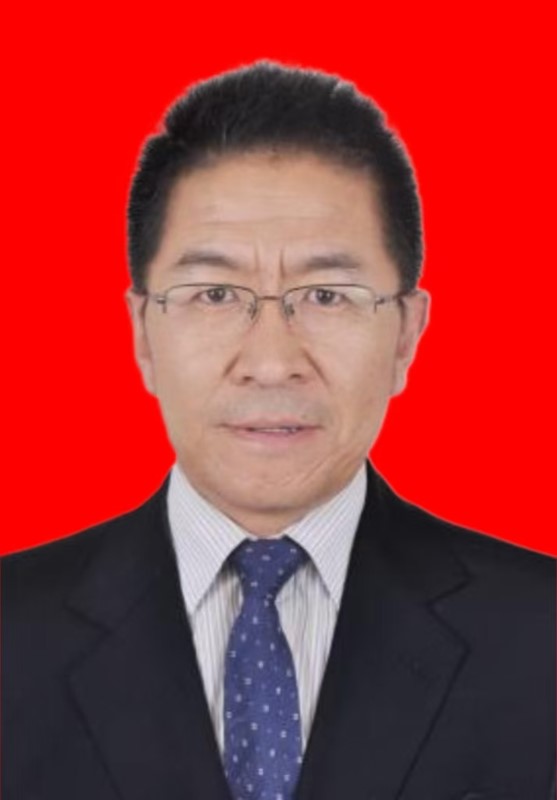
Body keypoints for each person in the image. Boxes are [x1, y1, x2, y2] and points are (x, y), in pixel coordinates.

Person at [2, 61, 555, 800]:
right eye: (214, 293)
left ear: (405, 335)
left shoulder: (542, 636)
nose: (270, 362)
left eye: (326, 295)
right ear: (141, 333)